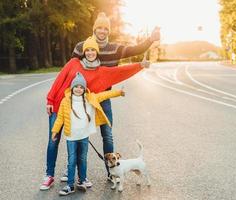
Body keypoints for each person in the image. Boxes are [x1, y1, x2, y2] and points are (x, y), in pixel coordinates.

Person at [40, 36, 150, 190]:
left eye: (93, 50)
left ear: (97, 52)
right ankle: (49, 175)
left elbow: (120, 72)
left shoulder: (101, 72)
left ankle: (74, 173)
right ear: (83, 51)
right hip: (59, 105)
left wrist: (140, 65)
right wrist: (50, 100)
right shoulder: (73, 63)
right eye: (88, 50)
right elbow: (59, 79)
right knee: (53, 141)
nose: (90, 52)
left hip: (75, 113)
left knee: (75, 142)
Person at [70, 12, 160, 182]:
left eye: (105, 28)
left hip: (104, 99)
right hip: (83, 100)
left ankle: (111, 173)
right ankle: (74, 173)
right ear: (95, 29)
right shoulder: (81, 47)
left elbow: (136, 49)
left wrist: (150, 39)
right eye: (100, 27)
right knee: (79, 136)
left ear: (108, 31)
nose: (102, 31)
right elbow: (70, 72)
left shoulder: (114, 48)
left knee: (108, 135)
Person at [51, 72, 125, 196]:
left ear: (85, 89)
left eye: (81, 87)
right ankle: (69, 185)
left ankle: (82, 180)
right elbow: (60, 118)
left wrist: (118, 92)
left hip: (84, 136)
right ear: (72, 87)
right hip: (71, 137)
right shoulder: (65, 101)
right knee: (72, 160)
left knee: (82, 159)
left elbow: (104, 94)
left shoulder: (90, 98)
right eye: (76, 86)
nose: (79, 89)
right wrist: (55, 131)